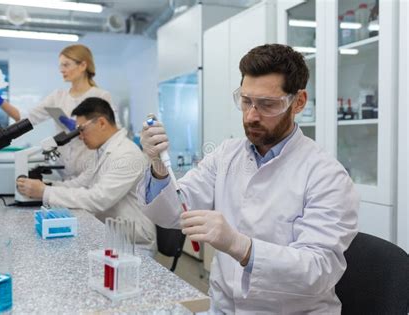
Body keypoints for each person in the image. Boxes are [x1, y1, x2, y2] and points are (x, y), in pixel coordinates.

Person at [139, 44, 358, 313]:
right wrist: (158, 167)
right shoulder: (226, 155)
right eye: (246, 101)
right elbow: (172, 213)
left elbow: (318, 271)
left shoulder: (326, 175)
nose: (251, 115)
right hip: (223, 307)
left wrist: (240, 246)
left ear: (298, 102)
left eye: (267, 105)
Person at [16, 97, 157, 254]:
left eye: (81, 129)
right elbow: (81, 183)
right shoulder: (102, 151)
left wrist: (44, 192)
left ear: (102, 123)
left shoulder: (127, 154)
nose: (80, 137)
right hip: (109, 235)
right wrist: (47, 186)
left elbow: (99, 199)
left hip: (133, 243)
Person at [0, 44, 116, 180]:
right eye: (60, 66)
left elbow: (112, 131)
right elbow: (25, 118)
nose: (61, 70)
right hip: (64, 172)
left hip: (93, 172)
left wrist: (82, 128)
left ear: (83, 65)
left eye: (66, 65)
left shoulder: (101, 96)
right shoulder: (57, 97)